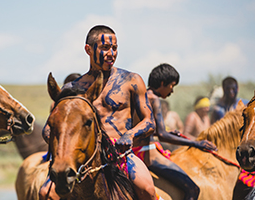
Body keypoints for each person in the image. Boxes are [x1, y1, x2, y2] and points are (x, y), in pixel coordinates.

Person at [40, 25, 157, 200]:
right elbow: (51, 127)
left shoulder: (131, 80)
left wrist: (130, 135)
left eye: (114, 48)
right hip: (83, 159)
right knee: (44, 193)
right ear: (88, 49)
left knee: (146, 189)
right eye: (105, 48)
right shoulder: (72, 89)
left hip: (120, 155)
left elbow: (149, 121)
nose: (111, 53)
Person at [146, 63, 217, 200]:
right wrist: (196, 144)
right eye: (172, 86)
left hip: (141, 150)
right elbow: (162, 135)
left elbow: (146, 130)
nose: (172, 91)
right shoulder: (154, 99)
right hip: (148, 154)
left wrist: (166, 133)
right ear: (162, 83)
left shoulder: (142, 95)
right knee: (193, 188)